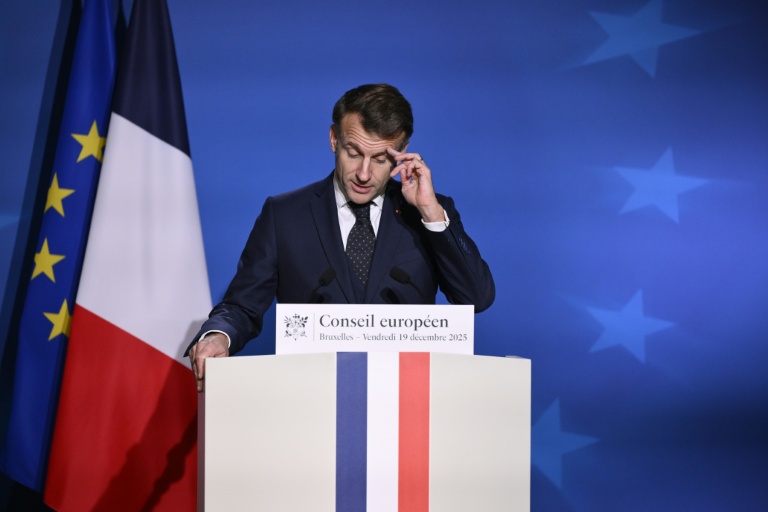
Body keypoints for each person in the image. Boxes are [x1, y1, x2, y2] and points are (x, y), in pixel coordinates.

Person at [188, 83, 494, 391]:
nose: (364, 174)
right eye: (354, 153)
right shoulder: (284, 215)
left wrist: (431, 213)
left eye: (380, 159)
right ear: (334, 139)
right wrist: (218, 336)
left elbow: (477, 298)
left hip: (405, 399)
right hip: (311, 396)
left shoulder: (430, 213)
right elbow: (242, 305)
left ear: (402, 153)